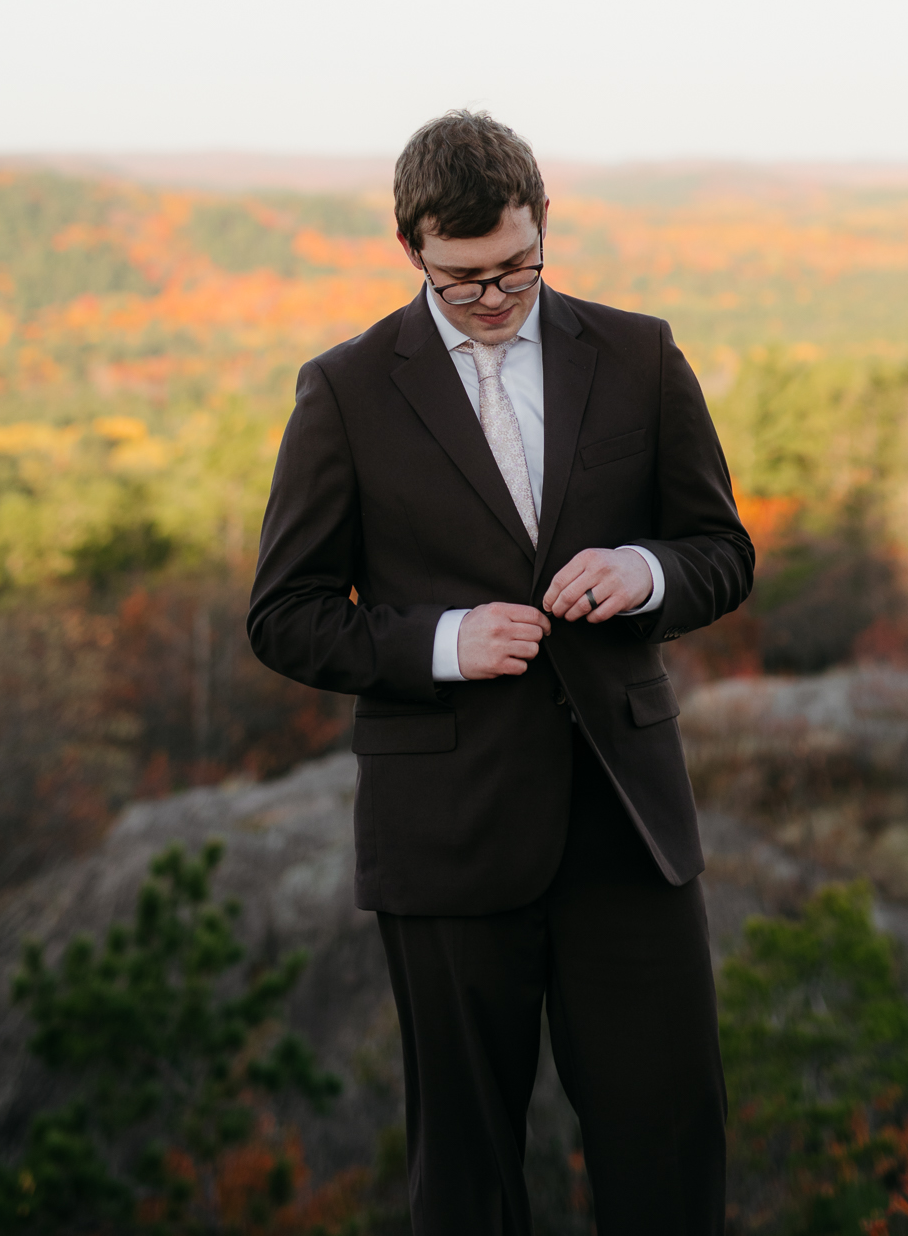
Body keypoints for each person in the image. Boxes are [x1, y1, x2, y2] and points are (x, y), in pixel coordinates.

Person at [248, 110, 755, 1235]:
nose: (494, 294)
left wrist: (644, 569)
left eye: (518, 266)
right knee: (468, 1170)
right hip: (448, 830)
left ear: (543, 226)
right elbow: (282, 616)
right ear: (411, 249)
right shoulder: (344, 390)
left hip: (626, 821)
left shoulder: (638, 352)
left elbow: (725, 552)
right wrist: (441, 640)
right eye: (464, 274)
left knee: (670, 1143)